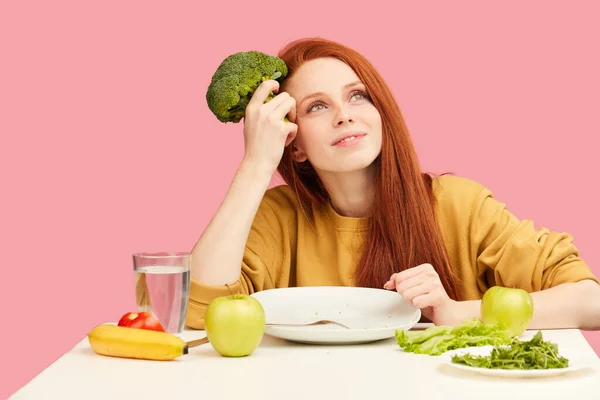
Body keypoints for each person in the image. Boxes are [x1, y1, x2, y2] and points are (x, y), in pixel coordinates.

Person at [186, 37, 600, 331]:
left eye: (357, 96)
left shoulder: (459, 204)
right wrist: (256, 163)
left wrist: (455, 313)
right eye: (317, 106)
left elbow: (589, 301)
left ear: (381, 113)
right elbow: (199, 312)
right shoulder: (278, 218)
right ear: (295, 145)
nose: (344, 116)